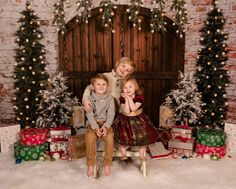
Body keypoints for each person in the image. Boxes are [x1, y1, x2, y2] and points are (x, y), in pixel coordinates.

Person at [112, 76, 158, 162]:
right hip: (125, 118)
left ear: (135, 87)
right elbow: (126, 111)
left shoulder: (139, 97)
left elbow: (133, 109)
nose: (128, 89)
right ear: (122, 89)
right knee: (121, 135)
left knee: (144, 135)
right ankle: (123, 153)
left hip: (138, 118)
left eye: (130, 86)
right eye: (125, 87)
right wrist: (126, 99)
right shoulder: (122, 98)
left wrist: (128, 98)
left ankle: (141, 153)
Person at [85, 74, 115, 177]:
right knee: (89, 137)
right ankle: (91, 164)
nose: (101, 86)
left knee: (110, 137)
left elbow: (111, 114)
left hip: (106, 123)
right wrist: (96, 128)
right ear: (93, 86)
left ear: (107, 86)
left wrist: (106, 127)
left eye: (104, 84)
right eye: (98, 84)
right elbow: (89, 115)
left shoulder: (110, 98)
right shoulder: (89, 99)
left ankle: (107, 164)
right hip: (93, 123)